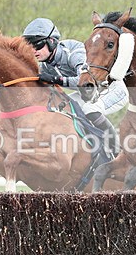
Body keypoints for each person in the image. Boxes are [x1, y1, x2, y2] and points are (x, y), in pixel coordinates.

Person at [22, 17, 128, 157]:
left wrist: (57, 80)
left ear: (52, 42)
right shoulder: (46, 64)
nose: (34, 51)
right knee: (62, 107)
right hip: (88, 94)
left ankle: (118, 153)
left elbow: (86, 82)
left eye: (38, 45)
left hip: (111, 89)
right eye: (30, 47)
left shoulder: (74, 54)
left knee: (90, 109)